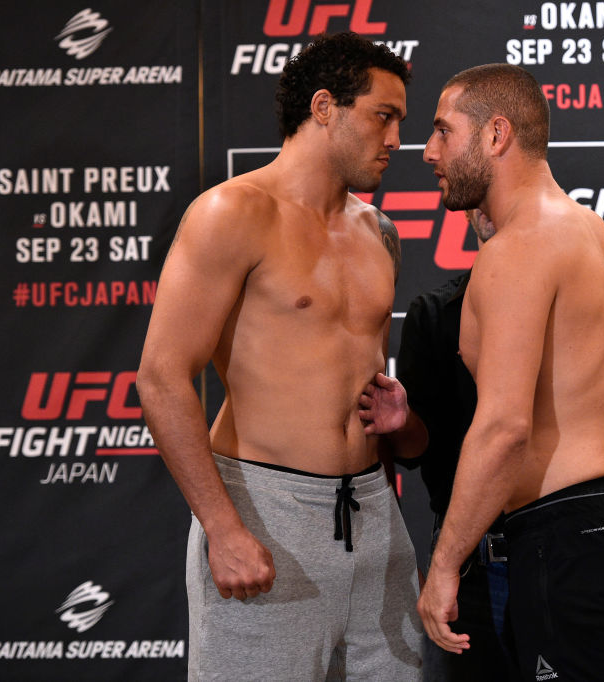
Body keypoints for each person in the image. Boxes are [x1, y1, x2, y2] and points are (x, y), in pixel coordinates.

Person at [135, 32, 424, 681]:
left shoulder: (380, 231)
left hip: (374, 516)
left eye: (401, 120)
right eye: (384, 116)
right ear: (324, 107)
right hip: (266, 518)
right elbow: (161, 376)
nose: (398, 139)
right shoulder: (231, 213)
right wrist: (222, 528)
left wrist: (397, 420)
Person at [404, 63, 604, 680]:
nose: (428, 151)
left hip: (564, 538)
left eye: (444, 131)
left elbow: (503, 426)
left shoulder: (519, 248)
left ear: (496, 134)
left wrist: (446, 564)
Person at [384, 208, 516, 680]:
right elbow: (416, 448)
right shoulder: (434, 313)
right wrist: (400, 422)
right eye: (482, 196)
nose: (491, 208)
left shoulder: (577, 306)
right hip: (468, 557)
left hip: (559, 544)